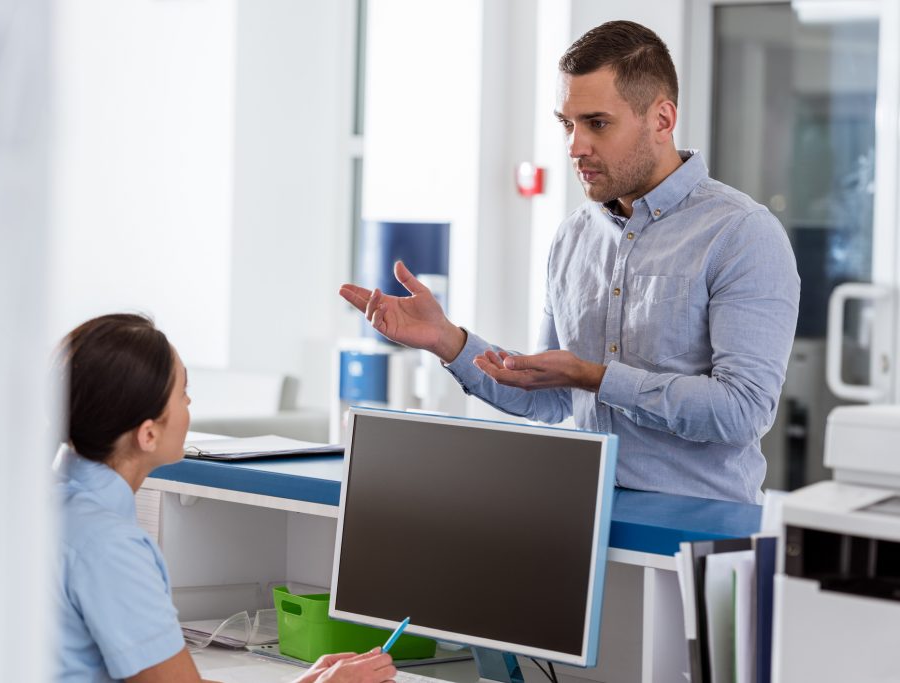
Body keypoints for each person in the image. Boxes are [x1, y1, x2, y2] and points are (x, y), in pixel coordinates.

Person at [339, 21, 800, 505]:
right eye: (567, 123)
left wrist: (596, 377)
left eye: (597, 123)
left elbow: (742, 411)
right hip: (585, 520)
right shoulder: (573, 236)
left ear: (662, 120)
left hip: (697, 535)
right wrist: (448, 342)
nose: (575, 146)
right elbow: (550, 398)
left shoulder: (742, 234)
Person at [54, 313, 397, 683]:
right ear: (148, 435)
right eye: (183, 393)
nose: (189, 404)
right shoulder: (110, 545)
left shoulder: (52, 507)